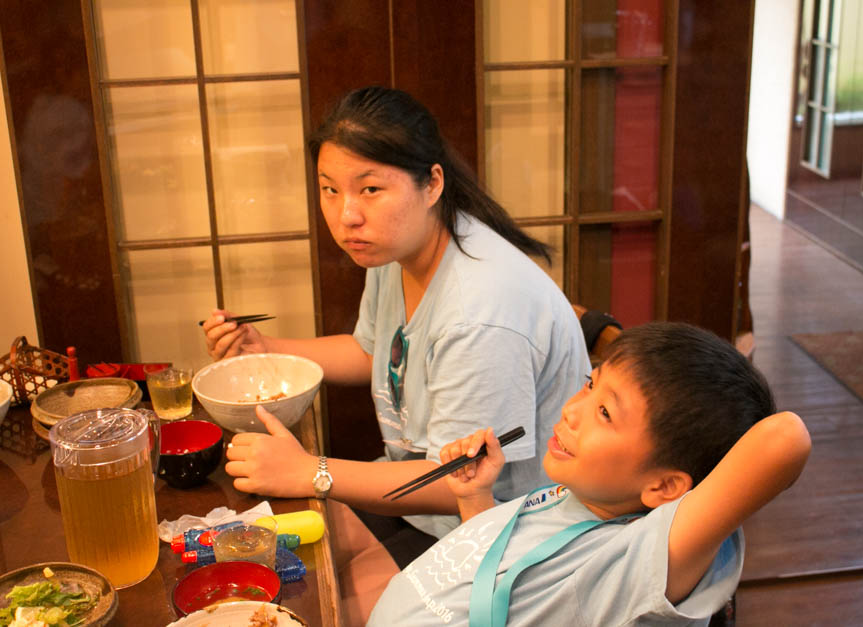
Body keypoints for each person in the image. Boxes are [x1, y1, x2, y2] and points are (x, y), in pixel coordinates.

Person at [202, 86, 590, 566]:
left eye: (370, 189)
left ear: (432, 184)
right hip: (420, 505)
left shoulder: (479, 312)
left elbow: (457, 485)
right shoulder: (399, 247)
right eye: (330, 189)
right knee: (252, 548)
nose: (347, 216)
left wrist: (311, 473)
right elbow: (371, 352)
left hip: (500, 533)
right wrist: (264, 348)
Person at [368, 322, 812, 626]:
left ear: (663, 486)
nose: (571, 411)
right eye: (589, 383)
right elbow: (505, 585)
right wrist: (475, 499)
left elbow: (784, 438)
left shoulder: (634, 561)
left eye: (604, 412)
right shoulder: (572, 497)